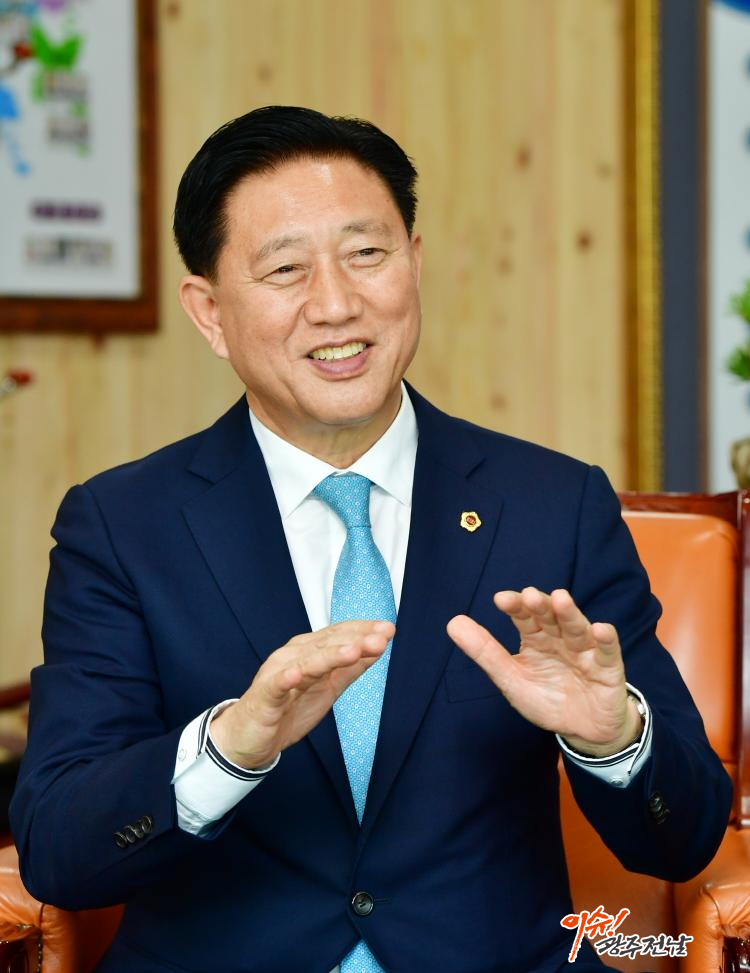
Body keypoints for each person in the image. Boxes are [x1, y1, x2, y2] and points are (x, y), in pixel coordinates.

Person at [11, 106, 731, 973]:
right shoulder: (124, 526)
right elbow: (58, 848)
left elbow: (685, 837)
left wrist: (613, 740)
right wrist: (230, 749)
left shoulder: (553, 505)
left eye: (366, 254)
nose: (337, 304)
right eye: (286, 269)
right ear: (209, 313)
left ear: (413, 263)